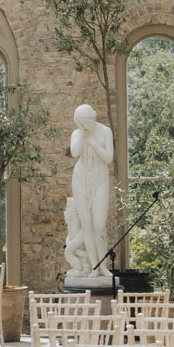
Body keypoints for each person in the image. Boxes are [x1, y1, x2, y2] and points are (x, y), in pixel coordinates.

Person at [65, 104, 113, 279]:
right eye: (85, 122)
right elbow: (75, 152)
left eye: (91, 119)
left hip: (100, 178)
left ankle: (103, 266)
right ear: (79, 122)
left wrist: (92, 143)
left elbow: (109, 157)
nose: (89, 124)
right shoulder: (77, 134)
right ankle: (94, 266)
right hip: (81, 178)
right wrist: (81, 132)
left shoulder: (105, 131)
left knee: (99, 224)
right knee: (86, 223)